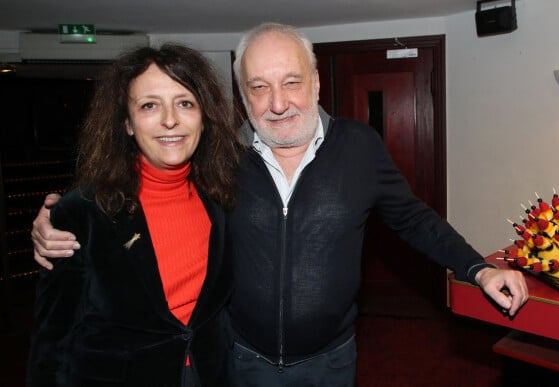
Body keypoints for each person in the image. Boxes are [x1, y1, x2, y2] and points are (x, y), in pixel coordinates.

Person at [31, 23, 528, 387]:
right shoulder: (219, 158)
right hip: (238, 361)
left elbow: (413, 218)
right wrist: (58, 213)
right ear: (241, 96)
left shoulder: (359, 146)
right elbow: (143, 175)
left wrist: (477, 268)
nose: (278, 102)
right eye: (259, 87)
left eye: (291, 82)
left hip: (332, 361)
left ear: (314, 82)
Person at [26, 44, 239, 387]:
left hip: (209, 373)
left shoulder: (225, 195)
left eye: (185, 103)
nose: (170, 119)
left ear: (205, 116)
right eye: (149, 105)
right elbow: (54, 338)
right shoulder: (82, 213)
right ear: (126, 122)